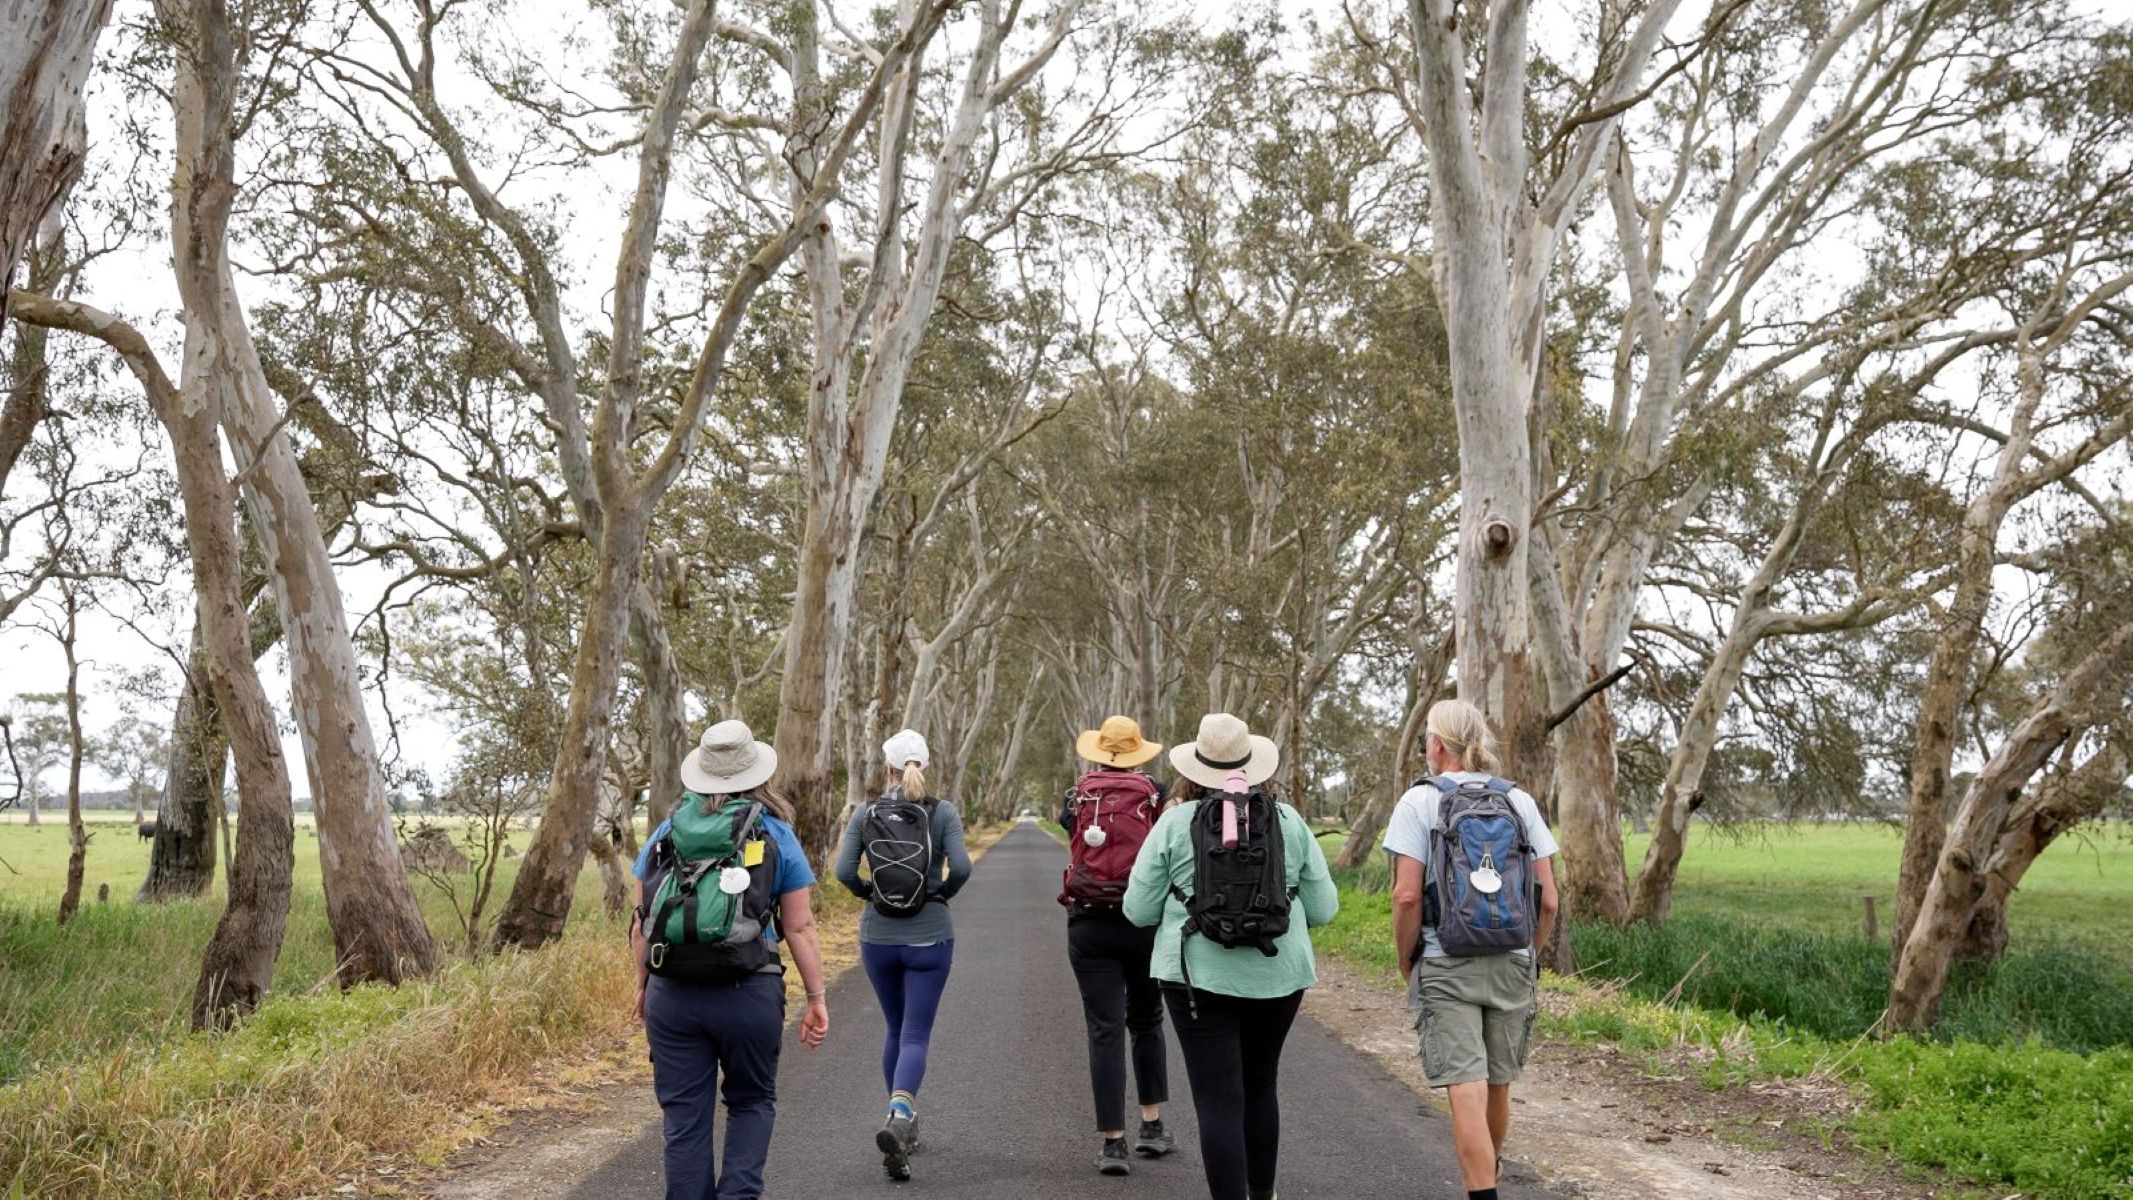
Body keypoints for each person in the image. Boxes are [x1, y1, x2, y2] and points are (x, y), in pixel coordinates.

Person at [1123, 712, 1339, 1200]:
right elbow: (1325, 909)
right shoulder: (1290, 821)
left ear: (1195, 769)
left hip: (1195, 979)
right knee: (1261, 1084)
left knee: (1217, 1099)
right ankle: (1262, 1193)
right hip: (1279, 974)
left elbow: (1137, 911)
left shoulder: (1174, 823)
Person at [632, 719, 830, 1200]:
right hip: (750, 989)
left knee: (684, 1119)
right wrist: (816, 997)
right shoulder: (775, 832)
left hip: (672, 993)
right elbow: (800, 926)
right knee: (751, 1102)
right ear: (756, 774)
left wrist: (643, 986)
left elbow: (642, 920)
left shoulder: (666, 831)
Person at [1382, 699, 1560, 1200]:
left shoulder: (1419, 801)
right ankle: (1487, 1176)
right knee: (1498, 1082)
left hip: (1446, 958)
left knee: (1465, 1085)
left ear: (1437, 745)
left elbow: (1406, 895)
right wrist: (1530, 955)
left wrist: (1407, 957)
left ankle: (1481, 1191)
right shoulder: (1519, 801)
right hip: (1513, 959)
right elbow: (1548, 900)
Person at [834, 727, 973, 1182]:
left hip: (878, 937)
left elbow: (842, 871)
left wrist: (869, 894)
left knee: (895, 1028)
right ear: (924, 766)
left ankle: (901, 1119)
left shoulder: (866, 812)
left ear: (888, 768)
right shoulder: (942, 812)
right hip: (930, 934)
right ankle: (900, 1114)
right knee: (915, 1032)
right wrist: (941, 893)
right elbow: (962, 866)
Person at [1058, 715, 1176, 1176]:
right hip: (1142, 921)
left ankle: (1113, 1144)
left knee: (1104, 1029)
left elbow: (1072, 837)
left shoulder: (1077, 795)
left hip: (1089, 921)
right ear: (1136, 752)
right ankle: (1152, 1125)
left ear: (1100, 751)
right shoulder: (1155, 794)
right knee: (1147, 1019)